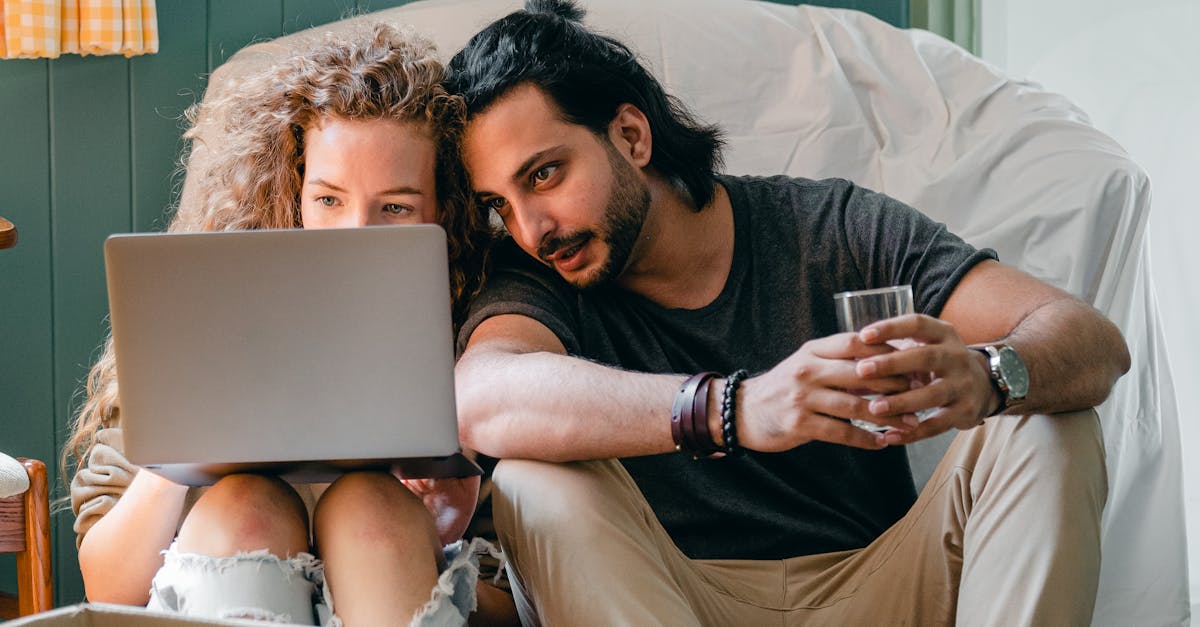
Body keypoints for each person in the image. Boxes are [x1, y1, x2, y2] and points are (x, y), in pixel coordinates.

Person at [444, 1, 1131, 625]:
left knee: (1044, 416)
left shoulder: (828, 227)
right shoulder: (535, 274)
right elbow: (483, 395)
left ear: (630, 136)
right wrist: (738, 407)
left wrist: (987, 376)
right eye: (499, 204)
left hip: (882, 586)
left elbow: (1090, 338)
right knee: (533, 476)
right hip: (672, 597)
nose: (532, 228)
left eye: (544, 174)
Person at [62, 24, 516, 627]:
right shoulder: (204, 301)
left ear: (443, 208)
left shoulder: (484, 328)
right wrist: (182, 450)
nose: (357, 237)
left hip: (396, 592)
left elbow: (519, 606)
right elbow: (107, 588)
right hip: (226, 582)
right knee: (244, 506)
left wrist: (437, 537)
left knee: (370, 511)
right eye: (329, 200)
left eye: (396, 208)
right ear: (293, 192)